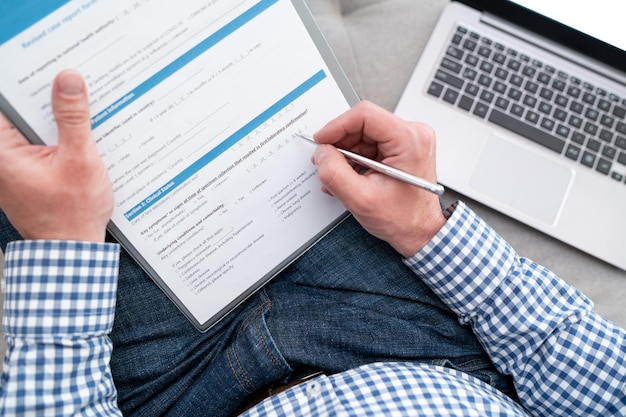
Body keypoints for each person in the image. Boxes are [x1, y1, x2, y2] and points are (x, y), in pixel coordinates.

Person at [0, 70, 624, 416]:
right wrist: (426, 229)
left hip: (176, 395)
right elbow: (587, 368)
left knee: (33, 129)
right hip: (418, 345)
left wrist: (62, 245)